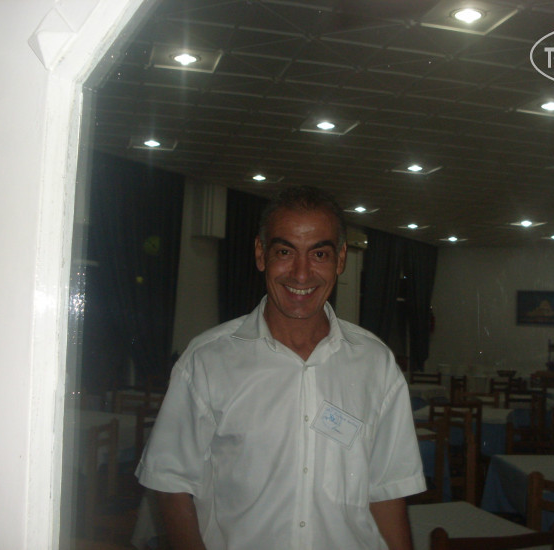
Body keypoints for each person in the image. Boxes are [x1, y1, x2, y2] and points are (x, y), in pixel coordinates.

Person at [136, 185, 425, 549]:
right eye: (285, 252)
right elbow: (170, 482)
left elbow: (388, 490)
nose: (301, 274)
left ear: (340, 259)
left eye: (319, 254)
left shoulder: (376, 363)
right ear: (261, 254)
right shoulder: (208, 359)